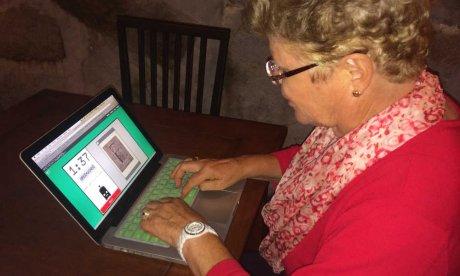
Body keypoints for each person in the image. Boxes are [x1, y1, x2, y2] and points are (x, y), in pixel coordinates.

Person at [139, 0, 460, 275]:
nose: (276, 81)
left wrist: (191, 235)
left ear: (354, 71)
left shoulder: (401, 216)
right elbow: (333, 168)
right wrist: (242, 166)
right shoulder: (411, 109)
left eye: (282, 69)